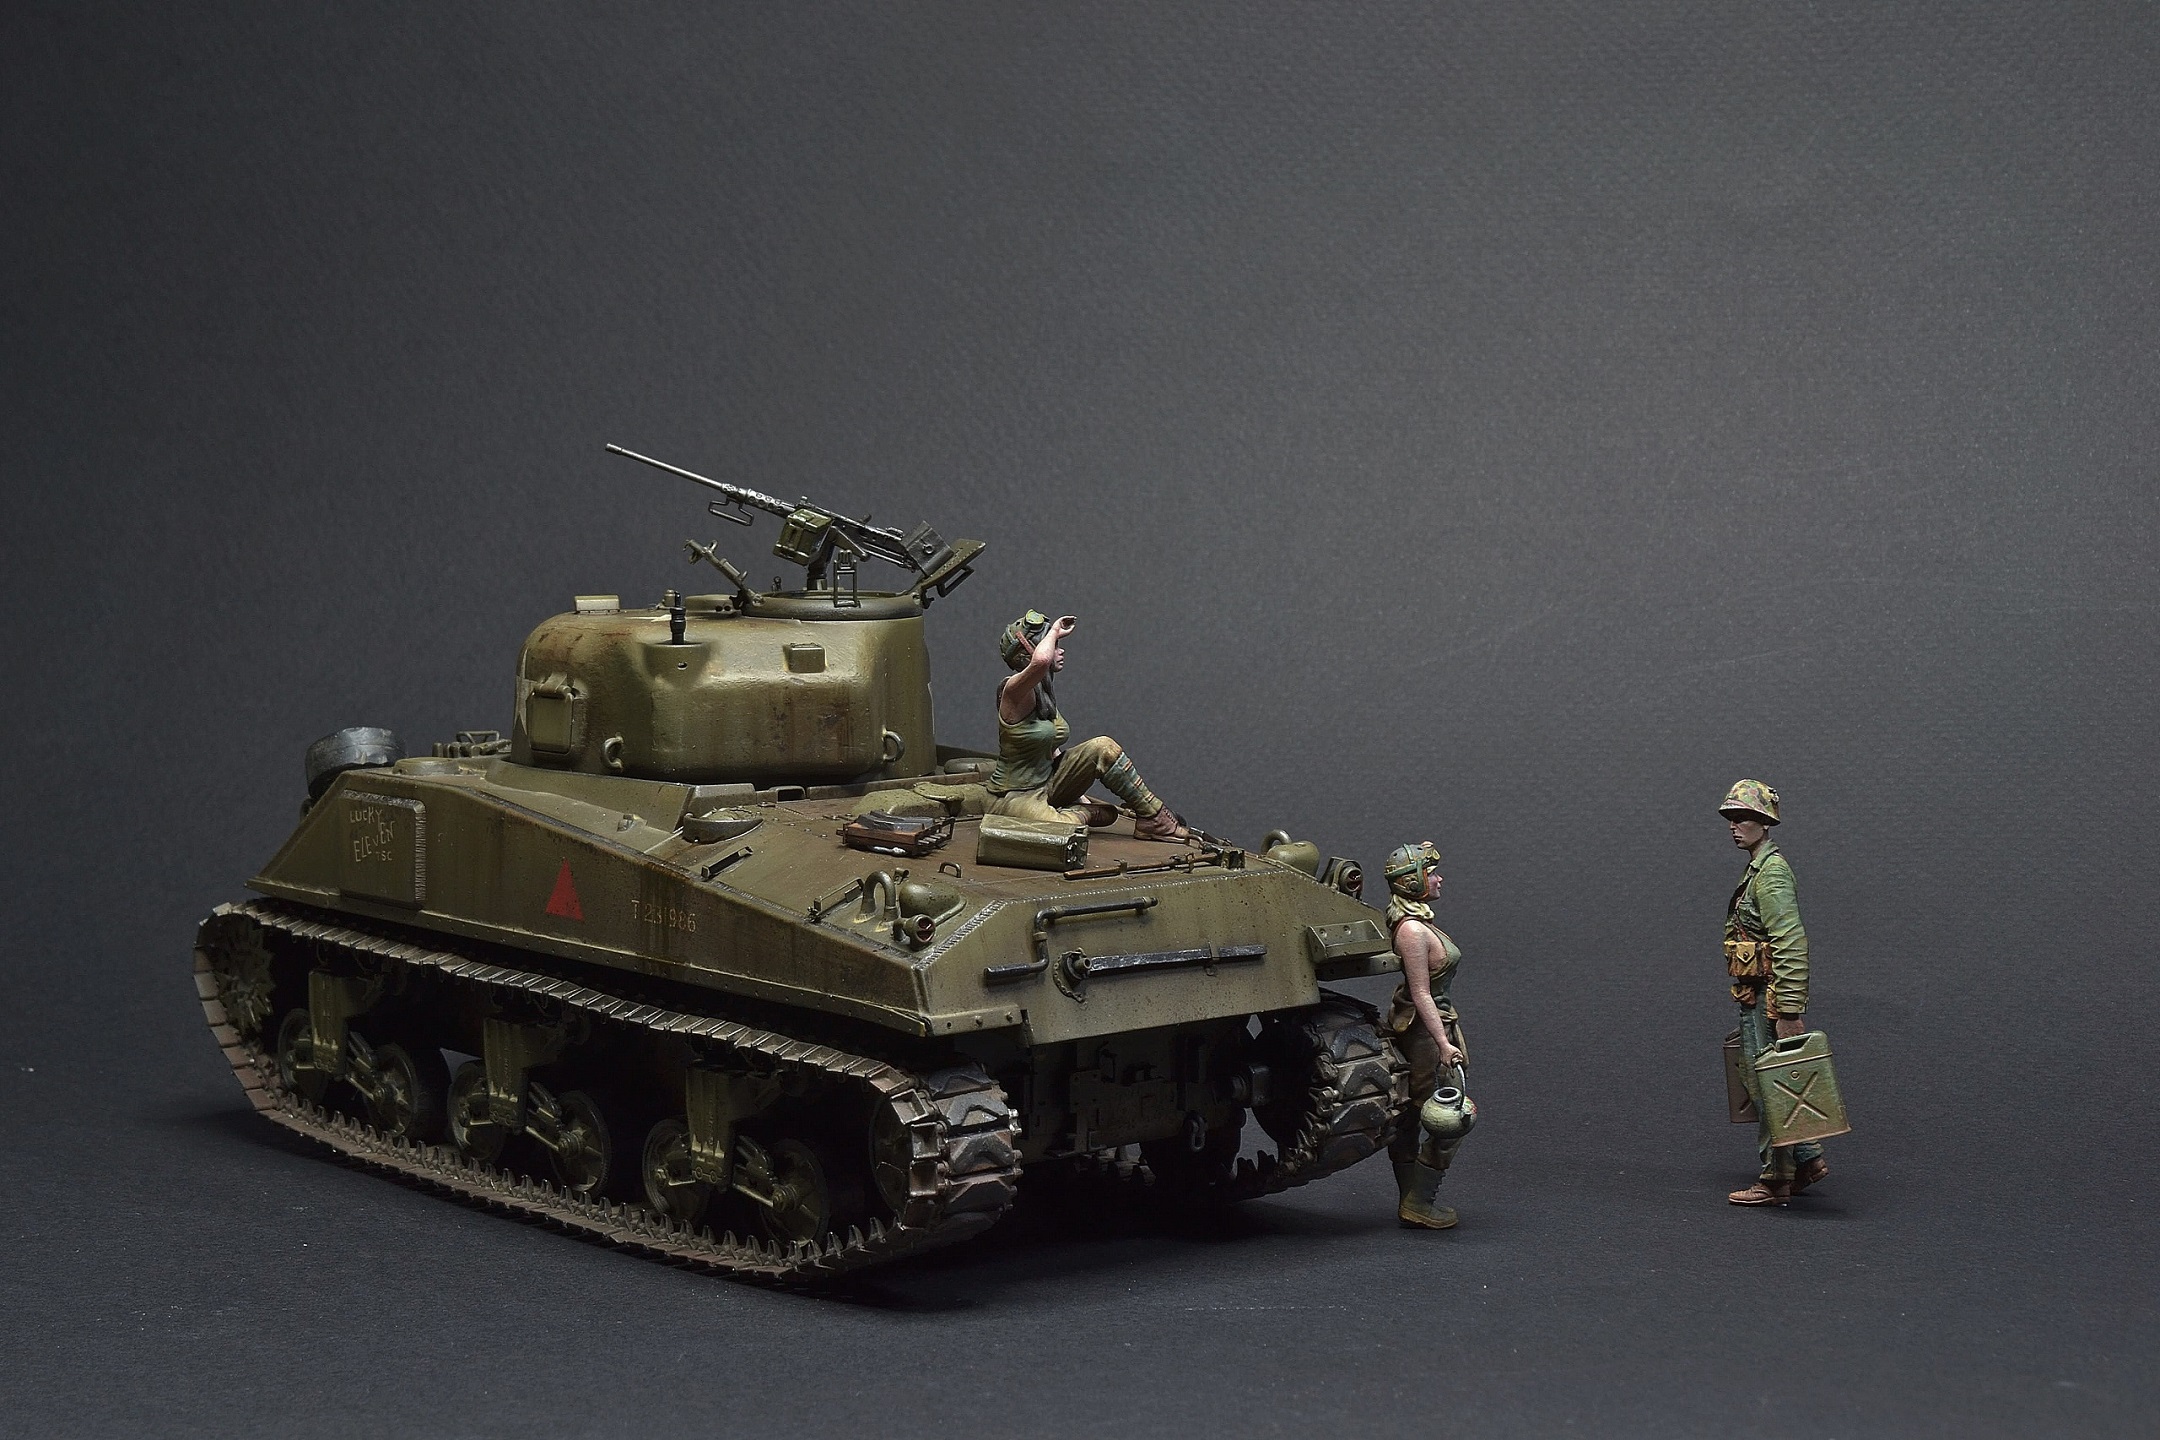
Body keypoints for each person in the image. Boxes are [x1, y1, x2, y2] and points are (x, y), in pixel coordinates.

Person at [1719, 778, 1828, 1206]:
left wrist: (1788, 1010)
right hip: (1756, 995)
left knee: (1769, 1085)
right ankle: (1806, 1158)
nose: (1734, 826)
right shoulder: (1757, 871)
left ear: (1764, 823)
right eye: (1731, 818)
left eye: (1743, 817)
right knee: (1759, 1077)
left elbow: (1791, 941)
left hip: (1769, 999)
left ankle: (1775, 1178)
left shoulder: (1772, 873)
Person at [987, 611, 1188, 841]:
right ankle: (1079, 815)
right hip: (1015, 796)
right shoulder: (1013, 692)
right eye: (1054, 646)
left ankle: (1154, 818)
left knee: (1103, 747)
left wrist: (1078, 794)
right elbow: (1041, 662)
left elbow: (1050, 748)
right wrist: (1054, 631)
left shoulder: (1044, 694)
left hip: (1048, 784)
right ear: (1028, 653)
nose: (1060, 651)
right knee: (1068, 827)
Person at [1383, 840, 1468, 1229]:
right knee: (1449, 1115)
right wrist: (1443, 1043)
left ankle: (1411, 1199)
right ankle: (1418, 1201)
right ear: (1412, 882)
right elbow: (1420, 994)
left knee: (1414, 1113)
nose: (1439, 879)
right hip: (1426, 1034)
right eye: (1431, 873)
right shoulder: (1412, 931)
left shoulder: (1419, 922)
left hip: (1434, 1027)